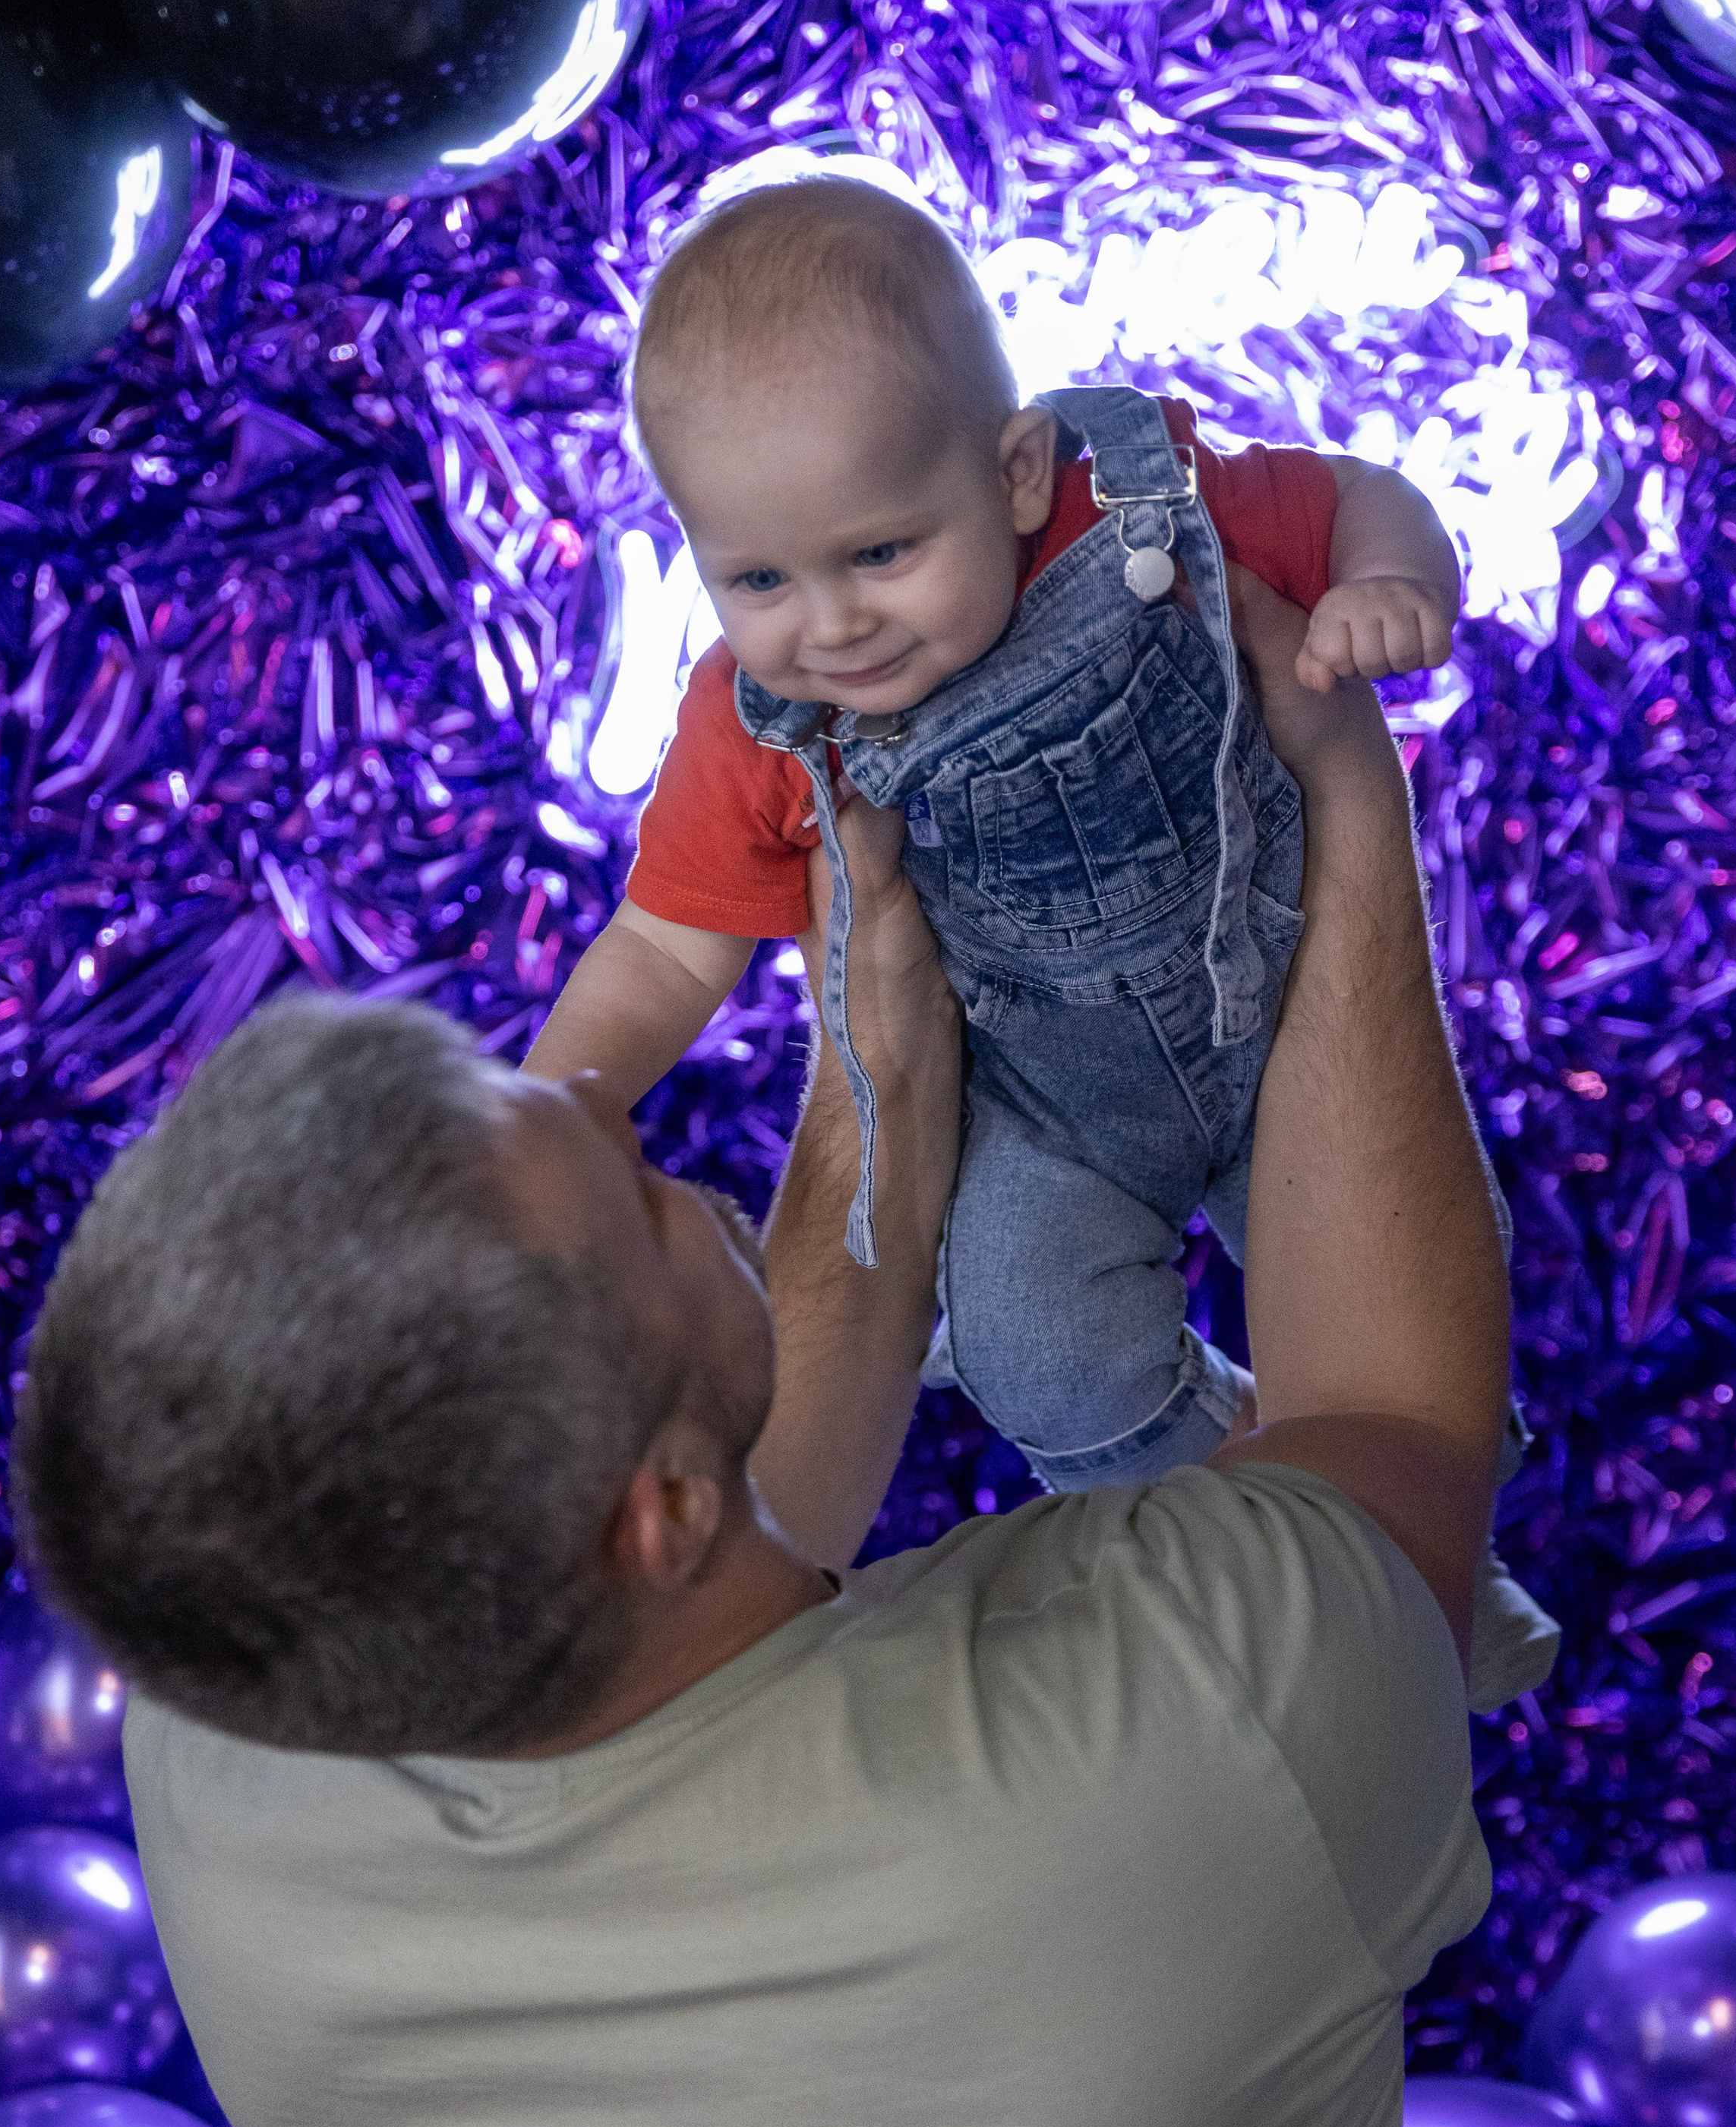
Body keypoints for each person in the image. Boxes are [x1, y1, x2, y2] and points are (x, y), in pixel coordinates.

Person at [17, 576, 1563, 2127]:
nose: (651, 1146)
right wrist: (1337, 817)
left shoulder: (246, 1751)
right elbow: (1390, 1426)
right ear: (646, 1504)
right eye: (635, 1188)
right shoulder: (1167, 1757)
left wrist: (871, 1094)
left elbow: (715, 1540)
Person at [529, 175, 1556, 1713]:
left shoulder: (1141, 508)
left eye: (880, 552)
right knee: (1026, 1343)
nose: (831, 626)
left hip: (1273, 1010)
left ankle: (1438, 1567)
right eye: (757, 579)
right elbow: (665, 951)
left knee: (1384, 1301)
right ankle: (1257, 1558)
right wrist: (549, 1108)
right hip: (1033, 1103)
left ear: (1013, 474)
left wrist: (1392, 580)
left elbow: (1349, 491)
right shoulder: (753, 728)